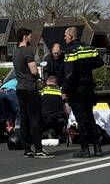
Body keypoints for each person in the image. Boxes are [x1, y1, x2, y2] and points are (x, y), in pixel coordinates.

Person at [62, 26, 105, 157]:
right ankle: (97, 147)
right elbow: (100, 62)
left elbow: (69, 73)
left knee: (81, 120)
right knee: (90, 118)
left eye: (65, 36)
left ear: (70, 36)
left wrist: (64, 89)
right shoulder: (89, 47)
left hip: (76, 90)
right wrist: (86, 68)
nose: (64, 38)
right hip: (89, 87)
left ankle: (85, 149)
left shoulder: (70, 51)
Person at [14, 27, 48, 158]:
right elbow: (34, 70)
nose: (31, 38)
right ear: (25, 37)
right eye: (29, 36)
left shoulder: (16, 52)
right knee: (35, 119)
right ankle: (38, 148)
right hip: (30, 88)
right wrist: (37, 74)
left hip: (20, 88)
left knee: (24, 119)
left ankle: (27, 149)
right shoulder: (27, 51)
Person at [41, 75, 70, 143]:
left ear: (47, 82)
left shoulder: (42, 92)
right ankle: (60, 134)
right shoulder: (60, 92)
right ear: (56, 83)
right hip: (57, 119)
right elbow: (67, 109)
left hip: (44, 119)